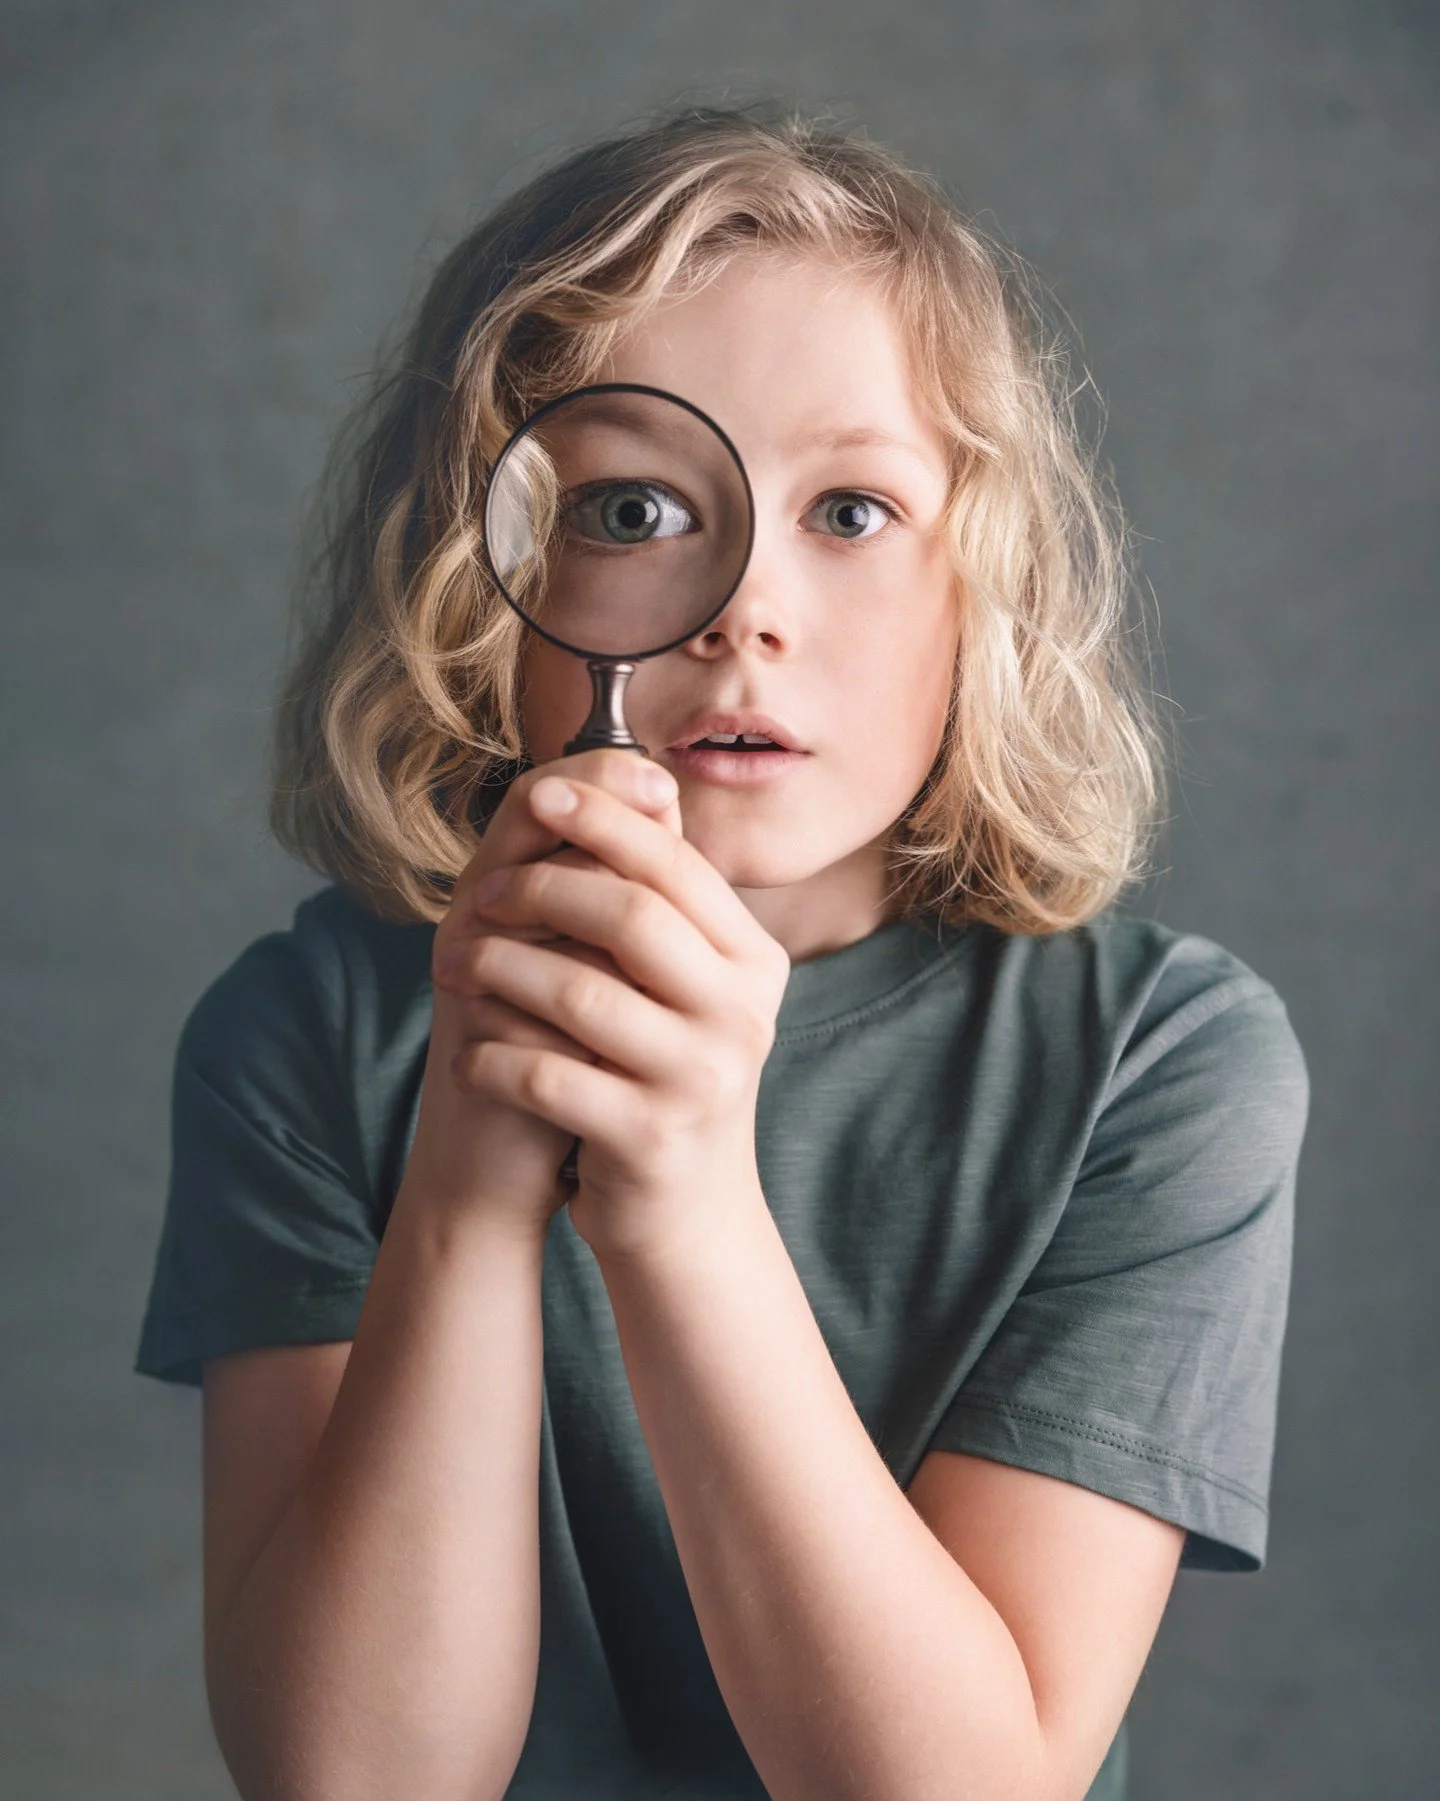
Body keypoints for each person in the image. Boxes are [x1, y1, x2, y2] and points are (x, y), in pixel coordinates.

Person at [134, 106, 1308, 1801]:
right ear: (481, 581)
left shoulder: (1163, 1062)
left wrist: (684, 1205)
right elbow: (355, 1780)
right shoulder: (310, 1034)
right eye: (631, 507)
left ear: (988, 588)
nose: (744, 606)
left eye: (852, 511)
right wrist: (470, 1173)